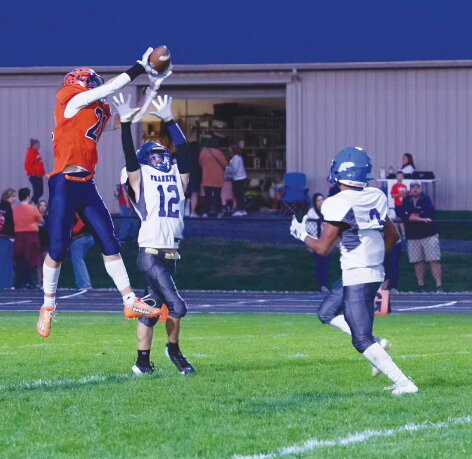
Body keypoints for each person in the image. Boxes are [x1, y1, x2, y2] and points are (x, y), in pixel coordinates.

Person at [36, 48, 171, 339]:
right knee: (57, 249)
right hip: (64, 181)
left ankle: (128, 300)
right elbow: (111, 87)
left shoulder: (95, 111)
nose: (99, 87)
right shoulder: (70, 103)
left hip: (86, 184)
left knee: (110, 242)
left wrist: (154, 87)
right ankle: (47, 306)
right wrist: (141, 66)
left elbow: (131, 117)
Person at [290, 146, 418, 396]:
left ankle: (404, 382)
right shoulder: (377, 196)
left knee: (361, 339)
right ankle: (379, 348)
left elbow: (323, 248)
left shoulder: (337, 202)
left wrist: (301, 234)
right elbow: (394, 235)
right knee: (327, 312)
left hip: (357, 274)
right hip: (369, 272)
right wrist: (376, 258)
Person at [113, 92, 196, 376]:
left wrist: (170, 120)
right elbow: (128, 156)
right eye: (157, 154)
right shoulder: (139, 178)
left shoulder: (177, 176)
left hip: (171, 252)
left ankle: (142, 362)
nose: (163, 157)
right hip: (150, 253)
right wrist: (126, 124)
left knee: (152, 307)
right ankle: (174, 351)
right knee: (177, 306)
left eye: (164, 153)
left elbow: (184, 151)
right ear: (147, 160)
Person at [317, 279, 391, 376]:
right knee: (351, 315)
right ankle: (377, 358)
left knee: (326, 313)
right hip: (360, 278)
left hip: (353, 277)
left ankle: (376, 343)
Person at [401, 181, 442, 292]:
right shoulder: (406, 200)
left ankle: (439, 286)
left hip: (428, 235)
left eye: (417, 187)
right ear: (410, 189)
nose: (415, 189)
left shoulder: (426, 199)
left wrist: (414, 216)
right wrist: (420, 218)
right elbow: (404, 216)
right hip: (413, 236)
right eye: (413, 187)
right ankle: (421, 286)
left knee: (434, 260)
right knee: (417, 261)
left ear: (421, 189)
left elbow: (428, 214)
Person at [13, 188, 43, 288]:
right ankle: (29, 281)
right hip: (31, 235)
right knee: (31, 259)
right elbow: (41, 220)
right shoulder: (33, 208)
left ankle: (20, 281)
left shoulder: (14, 209)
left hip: (18, 235)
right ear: (28, 197)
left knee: (19, 259)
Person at [305, 193, 330, 292]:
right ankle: (319, 285)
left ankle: (324, 284)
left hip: (327, 241)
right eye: (318, 200)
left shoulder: (328, 211)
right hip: (316, 242)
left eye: (322, 199)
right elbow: (308, 229)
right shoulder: (311, 212)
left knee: (325, 264)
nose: (320, 202)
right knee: (318, 264)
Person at [199, 140, 228, 217]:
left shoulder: (203, 152)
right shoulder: (219, 153)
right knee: (217, 196)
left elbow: (200, 163)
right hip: (217, 178)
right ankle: (218, 212)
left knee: (207, 196)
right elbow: (225, 164)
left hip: (206, 177)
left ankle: (206, 212)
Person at [70, 214, 95, 290]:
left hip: (81, 238)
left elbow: (81, 223)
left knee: (78, 260)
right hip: (89, 237)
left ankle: (85, 285)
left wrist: (72, 232)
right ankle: (81, 284)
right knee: (77, 260)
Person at [0, 189, 17, 289]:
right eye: (14, 196)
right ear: (8, 196)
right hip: (6, 237)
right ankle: (5, 284)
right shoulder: (7, 206)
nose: (15, 199)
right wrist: (12, 237)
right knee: (6, 262)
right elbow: (10, 223)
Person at [228, 142, 247, 216]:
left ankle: (240, 210)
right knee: (241, 195)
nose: (229, 149)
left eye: (230, 148)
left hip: (238, 179)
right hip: (242, 178)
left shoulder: (235, 158)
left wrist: (228, 169)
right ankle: (243, 209)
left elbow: (234, 170)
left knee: (238, 195)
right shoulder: (239, 157)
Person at [24, 138, 46, 204]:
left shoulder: (37, 153)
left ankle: (31, 202)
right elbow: (27, 165)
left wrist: (43, 173)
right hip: (34, 176)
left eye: (39, 145)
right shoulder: (31, 153)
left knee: (40, 192)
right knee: (37, 192)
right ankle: (32, 204)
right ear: (33, 145)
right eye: (37, 145)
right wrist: (33, 173)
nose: (39, 146)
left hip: (39, 176)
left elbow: (40, 165)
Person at [186, 141, 202, 217]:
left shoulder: (186, 155)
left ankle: (185, 211)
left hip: (186, 176)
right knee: (194, 193)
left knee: (186, 194)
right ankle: (192, 211)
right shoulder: (198, 156)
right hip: (195, 175)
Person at [37, 199, 49, 285]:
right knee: (39, 263)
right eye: (40, 205)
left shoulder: (48, 218)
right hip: (37, 242)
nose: (42, 207)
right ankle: (40, 282)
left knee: (46, 262)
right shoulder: (35, 218)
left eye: (44, 205)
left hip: (46, 242)